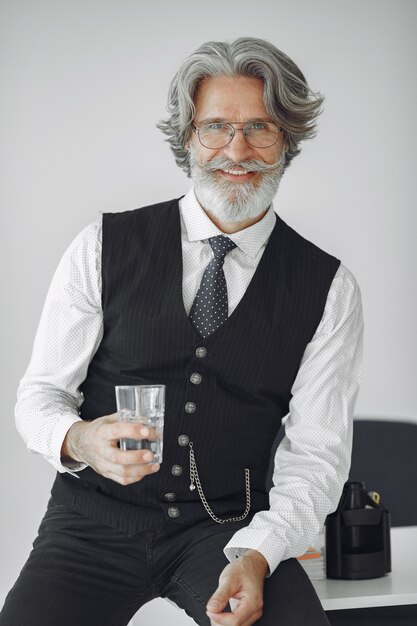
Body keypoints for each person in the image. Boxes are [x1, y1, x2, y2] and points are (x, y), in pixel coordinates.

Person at [1, 37, 363, 626]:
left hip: (228, 532)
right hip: (92, 522)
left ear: (288, 139)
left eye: (260, 127)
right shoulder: (100, 246)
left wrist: (259, 552)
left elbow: (317, 456)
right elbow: (38, 395)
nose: (236, 149)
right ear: (187, 137)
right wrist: (80, 440)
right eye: (215, 126)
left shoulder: (330, 288)